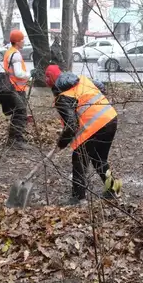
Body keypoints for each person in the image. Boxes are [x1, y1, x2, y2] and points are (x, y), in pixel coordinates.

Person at [44, 65, 119, 205]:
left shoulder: (63, 98)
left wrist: (62, 142)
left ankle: (78, 198)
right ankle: (112, 190)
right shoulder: (82, 80)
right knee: (99, 159)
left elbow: (71, 125)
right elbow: (101, 87)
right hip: (111, 118)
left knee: (78, 160)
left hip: (95, 127)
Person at [0, 29, 32, 150]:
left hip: (12, 87)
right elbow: (18, 73)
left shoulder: (10, 52)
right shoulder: (16, 55)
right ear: (18, 41)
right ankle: (16, 140)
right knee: (20, 113)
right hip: (16, 89)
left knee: (17, 113)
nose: (24, 41)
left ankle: (13, 139)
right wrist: (30, 74)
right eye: (22, 39)